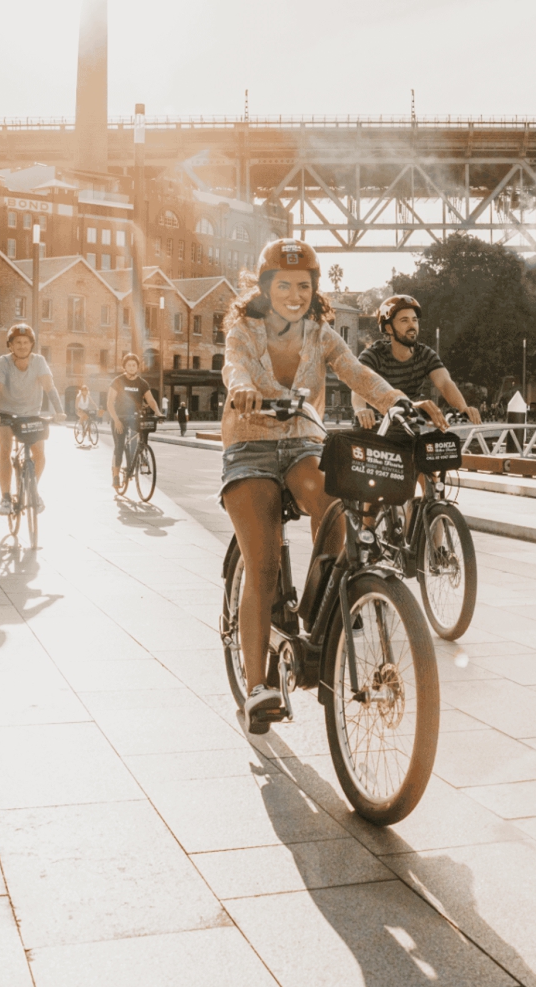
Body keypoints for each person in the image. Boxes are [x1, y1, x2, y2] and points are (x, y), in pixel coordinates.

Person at [221, 238, 446, 734]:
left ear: (314, 288)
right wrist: (242, 389)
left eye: (304, 286)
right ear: (266, 287)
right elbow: (233, 365)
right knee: (262, 561)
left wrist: (396, 401)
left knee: (335, 504)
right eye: (284, 285)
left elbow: (355, 371)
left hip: (303, 443)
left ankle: (320, 610)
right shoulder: (243, 330)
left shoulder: (320, 332)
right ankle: (257, 687)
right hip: (250, 446)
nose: (295, 295)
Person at [353, 294, 482, 428]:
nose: (412, 325)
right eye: (404, 320)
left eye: (414, 320)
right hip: (374, 427)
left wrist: (463, 408)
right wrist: (360, 409)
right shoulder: (374, 354)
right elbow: (358, 385)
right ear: (389, 328)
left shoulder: (425, 354)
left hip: (408, 426)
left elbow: (444, 383)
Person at [0, 323, 62, 515]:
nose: (22, 346)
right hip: (5, 413)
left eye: (26, 342)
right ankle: (5, 498)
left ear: (31, 344)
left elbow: (49, 386)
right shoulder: (2, 363)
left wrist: (59, 411)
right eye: (17, 342)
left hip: (31, 414)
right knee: (5, 448)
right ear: (10, 345)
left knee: (39, 453)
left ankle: (32, 490)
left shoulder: (39, 361)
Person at [108, 353, 161, 488]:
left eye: (134, 365)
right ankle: (115, 476)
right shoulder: (118, 381)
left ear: (137, 367)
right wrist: (116, 419)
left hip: (134, 418)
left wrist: (158, 412)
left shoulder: (142, 383)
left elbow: (150, 400)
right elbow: (109, 403)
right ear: (124, 367)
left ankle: (136, 460)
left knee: (140, 439)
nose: (131, 367)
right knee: (120, 446)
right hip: (119, 418)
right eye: (129, 365)